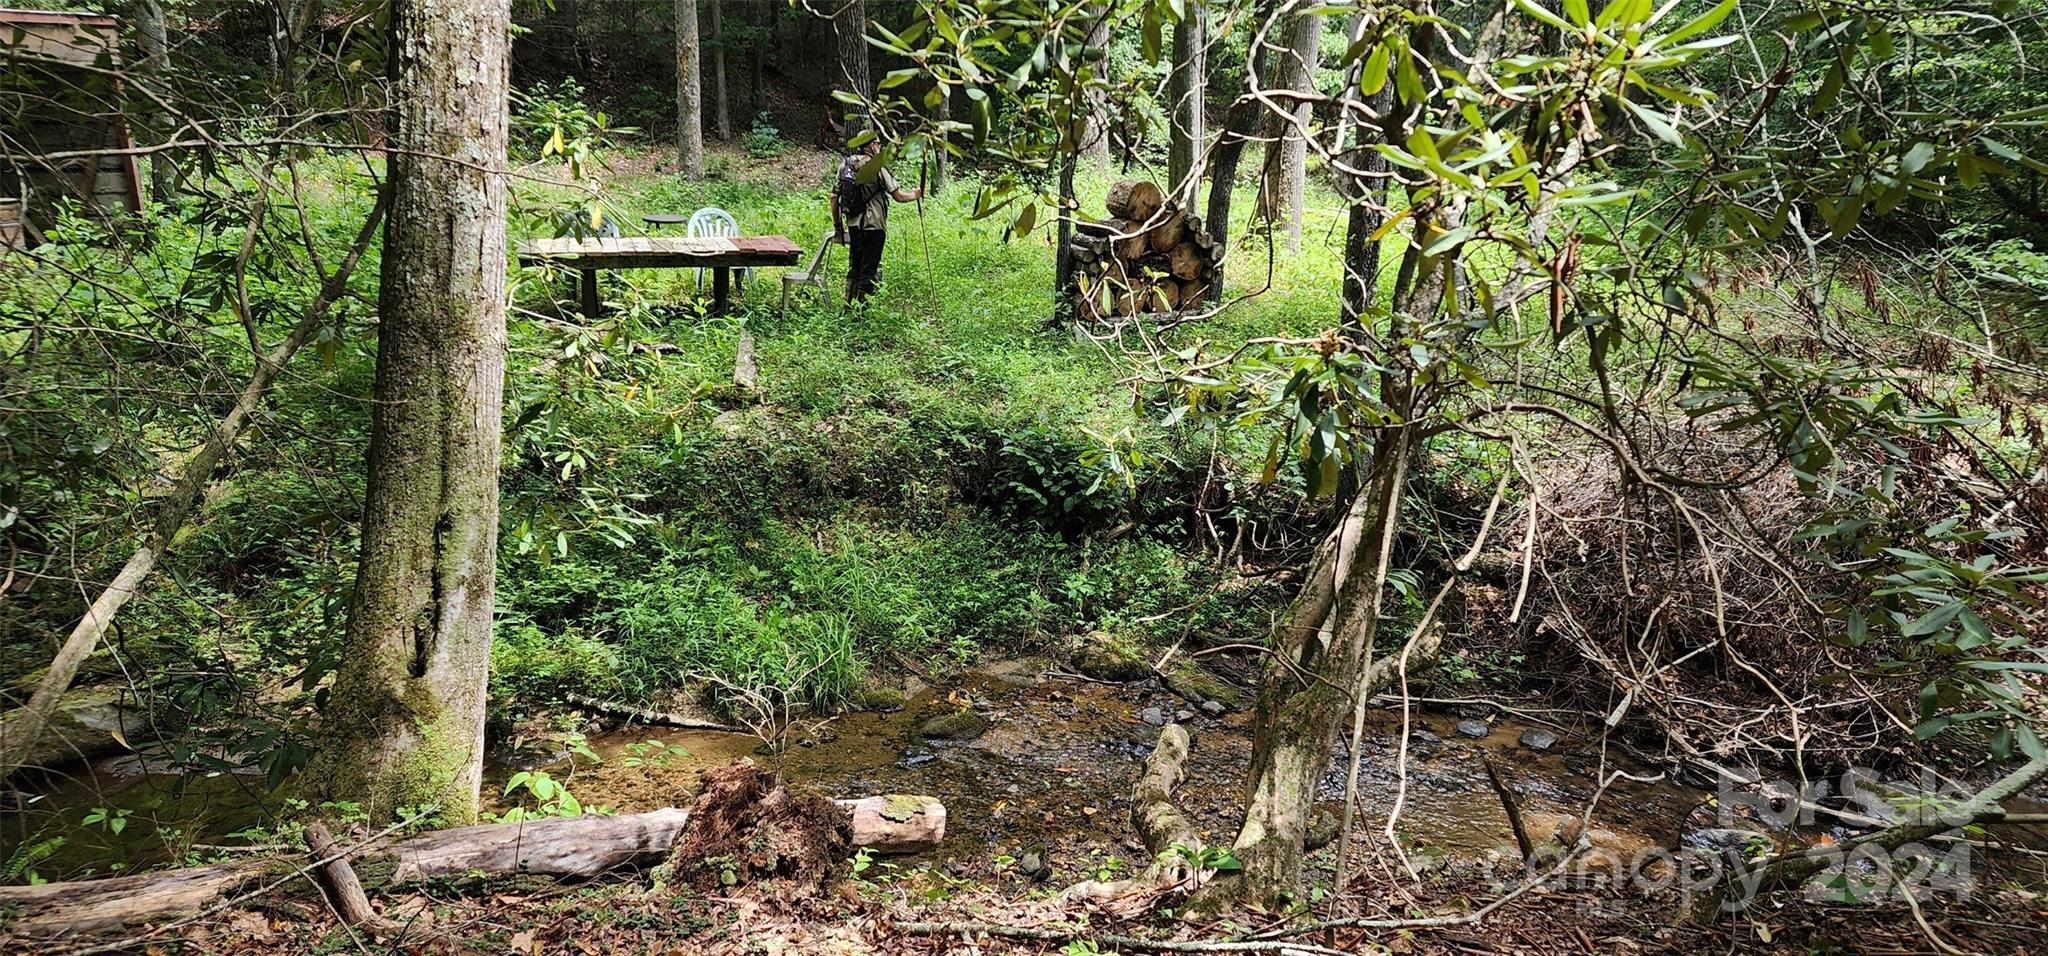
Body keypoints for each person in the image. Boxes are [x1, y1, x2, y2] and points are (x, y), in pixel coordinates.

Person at [831, 137, 923, 303]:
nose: (880, 147)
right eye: (878, 144)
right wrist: (916, 194)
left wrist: (838, 225)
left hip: (853, 224)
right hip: (874, 225)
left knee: (855, 266)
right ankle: (862, 310)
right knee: (869, 270)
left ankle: (848, 304)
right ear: (871, 146)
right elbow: (899, 196)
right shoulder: (877, 166)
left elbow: (834, 197)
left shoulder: (846, 164)